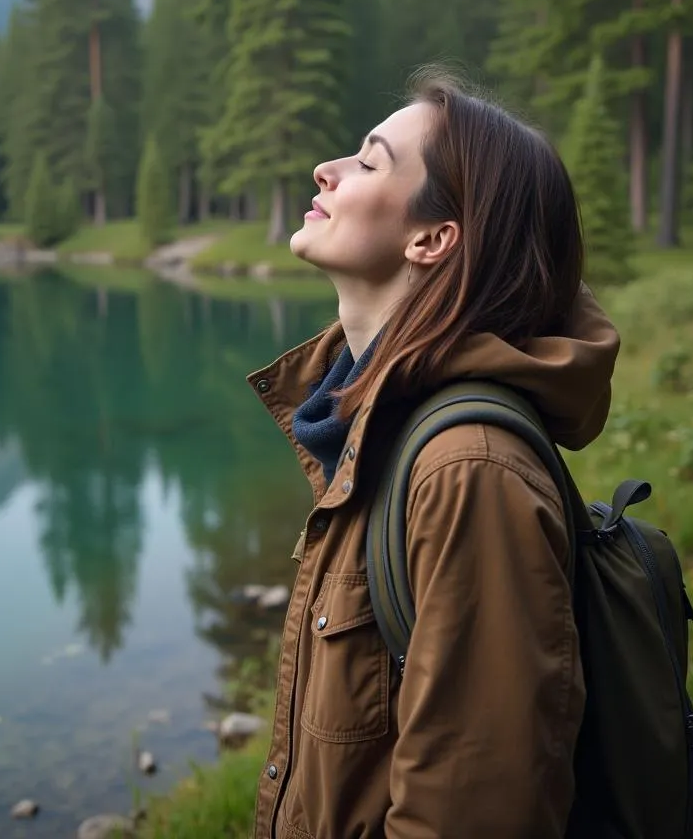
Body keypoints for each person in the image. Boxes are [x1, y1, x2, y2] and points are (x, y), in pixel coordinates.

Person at [245, 72, 621, 839]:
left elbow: (476, 808)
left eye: (369, 161)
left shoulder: (467, 469)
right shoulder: (367, 419)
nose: (329, 169)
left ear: (431, 239)